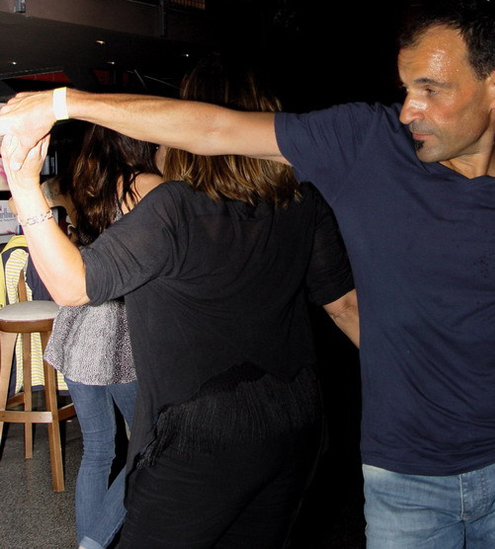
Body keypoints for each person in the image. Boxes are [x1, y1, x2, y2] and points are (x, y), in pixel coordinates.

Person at [0, 0, 495, 547]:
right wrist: (63, 103)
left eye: (430, 90)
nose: (410, 109)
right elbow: (217, 129)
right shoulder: (367, 143)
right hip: (404, 475)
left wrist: (28, 185)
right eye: (406, 88)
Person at [1, 61, 358, 549]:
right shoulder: (301, 202)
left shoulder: (176, 206)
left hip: (201, 432)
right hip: (296, 418)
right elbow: (344, 306)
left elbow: (73, 286)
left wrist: (23, 185)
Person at [40, 126, 162, 549]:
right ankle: (95, 540)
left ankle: (86, 543)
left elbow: (34, 203)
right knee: (147, 444)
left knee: (97, 450)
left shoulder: (77, 183)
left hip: (77, 325)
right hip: (119, 333)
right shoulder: (145, 188)